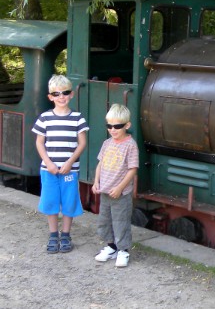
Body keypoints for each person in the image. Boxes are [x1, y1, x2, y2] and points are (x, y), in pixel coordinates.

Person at [32, 74, 88, 253]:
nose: (61, 97)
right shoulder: (44, 118)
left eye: (65, 93)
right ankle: (53, 234)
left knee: (69, 201)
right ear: (50, 97)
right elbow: (39, 143)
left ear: (71, 94)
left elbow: (82, 143)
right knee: (51, 201)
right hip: (49, 170)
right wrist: (48, 163)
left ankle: (66, 234)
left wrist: (70, 163)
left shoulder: (78, 118)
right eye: (56, 94)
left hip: (69, 170)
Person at [92, 104, 139, 267]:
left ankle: (123, 250)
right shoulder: (107, 143)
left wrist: (120, 188)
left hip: (120, 193)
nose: (113, 129)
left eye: (117, 126)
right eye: (109, 126)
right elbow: (100, 164)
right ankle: (111, 247)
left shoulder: (130, 145)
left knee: (120, 222)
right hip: (105, 190)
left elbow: (132, 169)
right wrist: (96, 181)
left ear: (127, 125)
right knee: (105, 221)